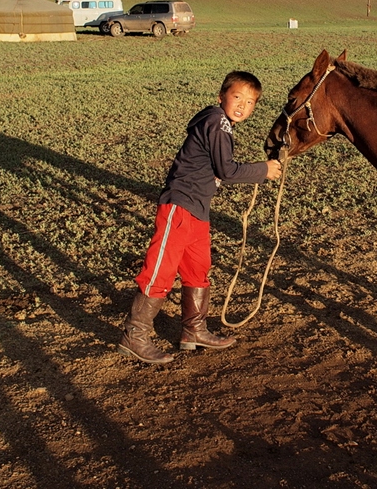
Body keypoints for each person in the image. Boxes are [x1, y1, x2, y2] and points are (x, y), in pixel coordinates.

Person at [117, 71, 283, 364]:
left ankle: (194, 330)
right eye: (237, 97)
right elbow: (227, 171)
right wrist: (263, 170)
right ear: (221, 97)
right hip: (179, 205)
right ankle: (135, 335)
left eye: (251, 101)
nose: (243, 105)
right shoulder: (217, 122)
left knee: (197, 267)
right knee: (161, 269)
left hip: (197, 209)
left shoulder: (221, 125)